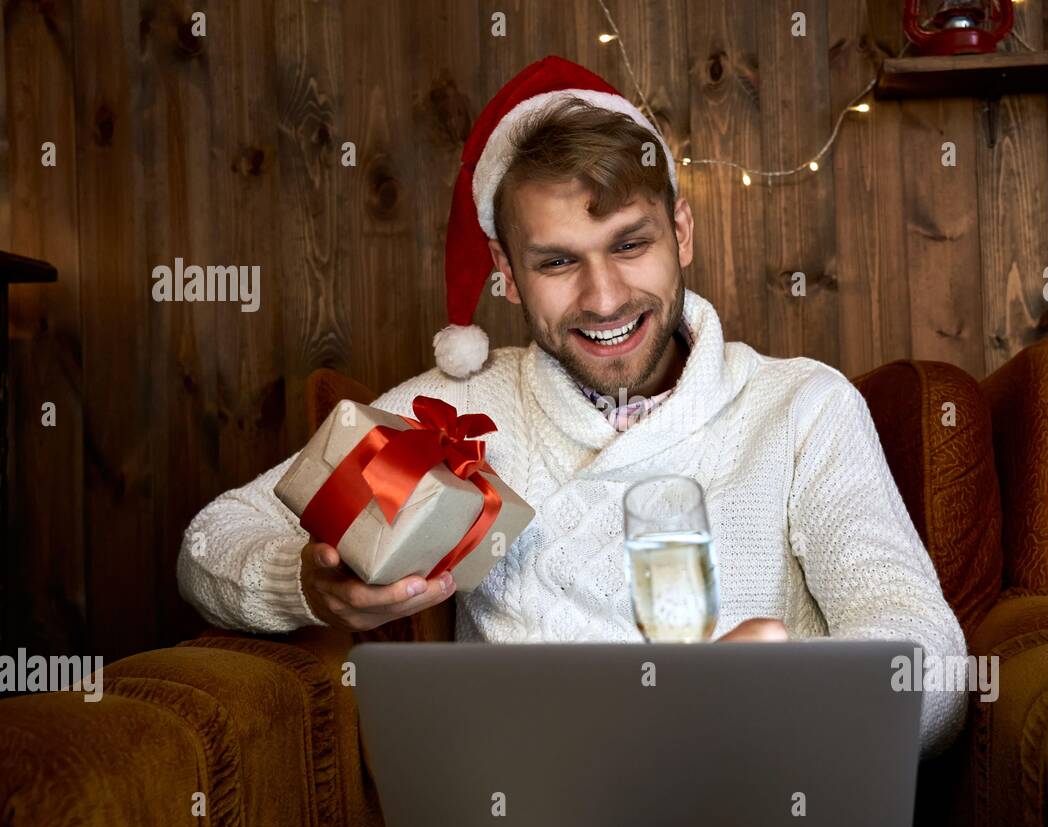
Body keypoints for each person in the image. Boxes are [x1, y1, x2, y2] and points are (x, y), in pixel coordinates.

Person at [177, 56, 968, 758]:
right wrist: (307, 588)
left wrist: (793, 686)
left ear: (681, 231)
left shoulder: (799, 407)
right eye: (558, 261)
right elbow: (210, 541)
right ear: (508, 273)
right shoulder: (456, 413)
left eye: (630, 244)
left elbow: (928, 656)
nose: (603, 297)